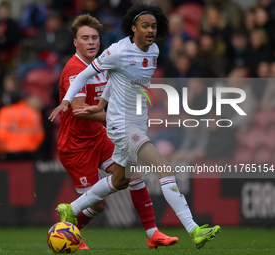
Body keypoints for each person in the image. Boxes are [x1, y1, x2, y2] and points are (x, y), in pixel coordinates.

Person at [49, 3, 221, 249]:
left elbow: (118, 80)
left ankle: (72, 208)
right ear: (133, 28)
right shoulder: (117, 52)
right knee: (163, 168)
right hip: (119, 129)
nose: (150, 30)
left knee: (122, 179)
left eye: (153, 26)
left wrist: (100, 105)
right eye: (145, 26)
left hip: (131, 126)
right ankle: (194, 230)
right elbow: (86, 76)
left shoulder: (154, 51)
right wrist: (67, 101)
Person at [55, 13, 178, 250]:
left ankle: (152, 233)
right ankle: (70, 230)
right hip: (76, 146)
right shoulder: (73, 69)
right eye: (85, 38)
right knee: (98, 205)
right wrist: (121, 120)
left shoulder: (103, 63)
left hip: (100, 137)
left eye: (94, 37)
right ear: (75, 42)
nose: (91, 42)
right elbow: (80, 110)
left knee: (133, 175)